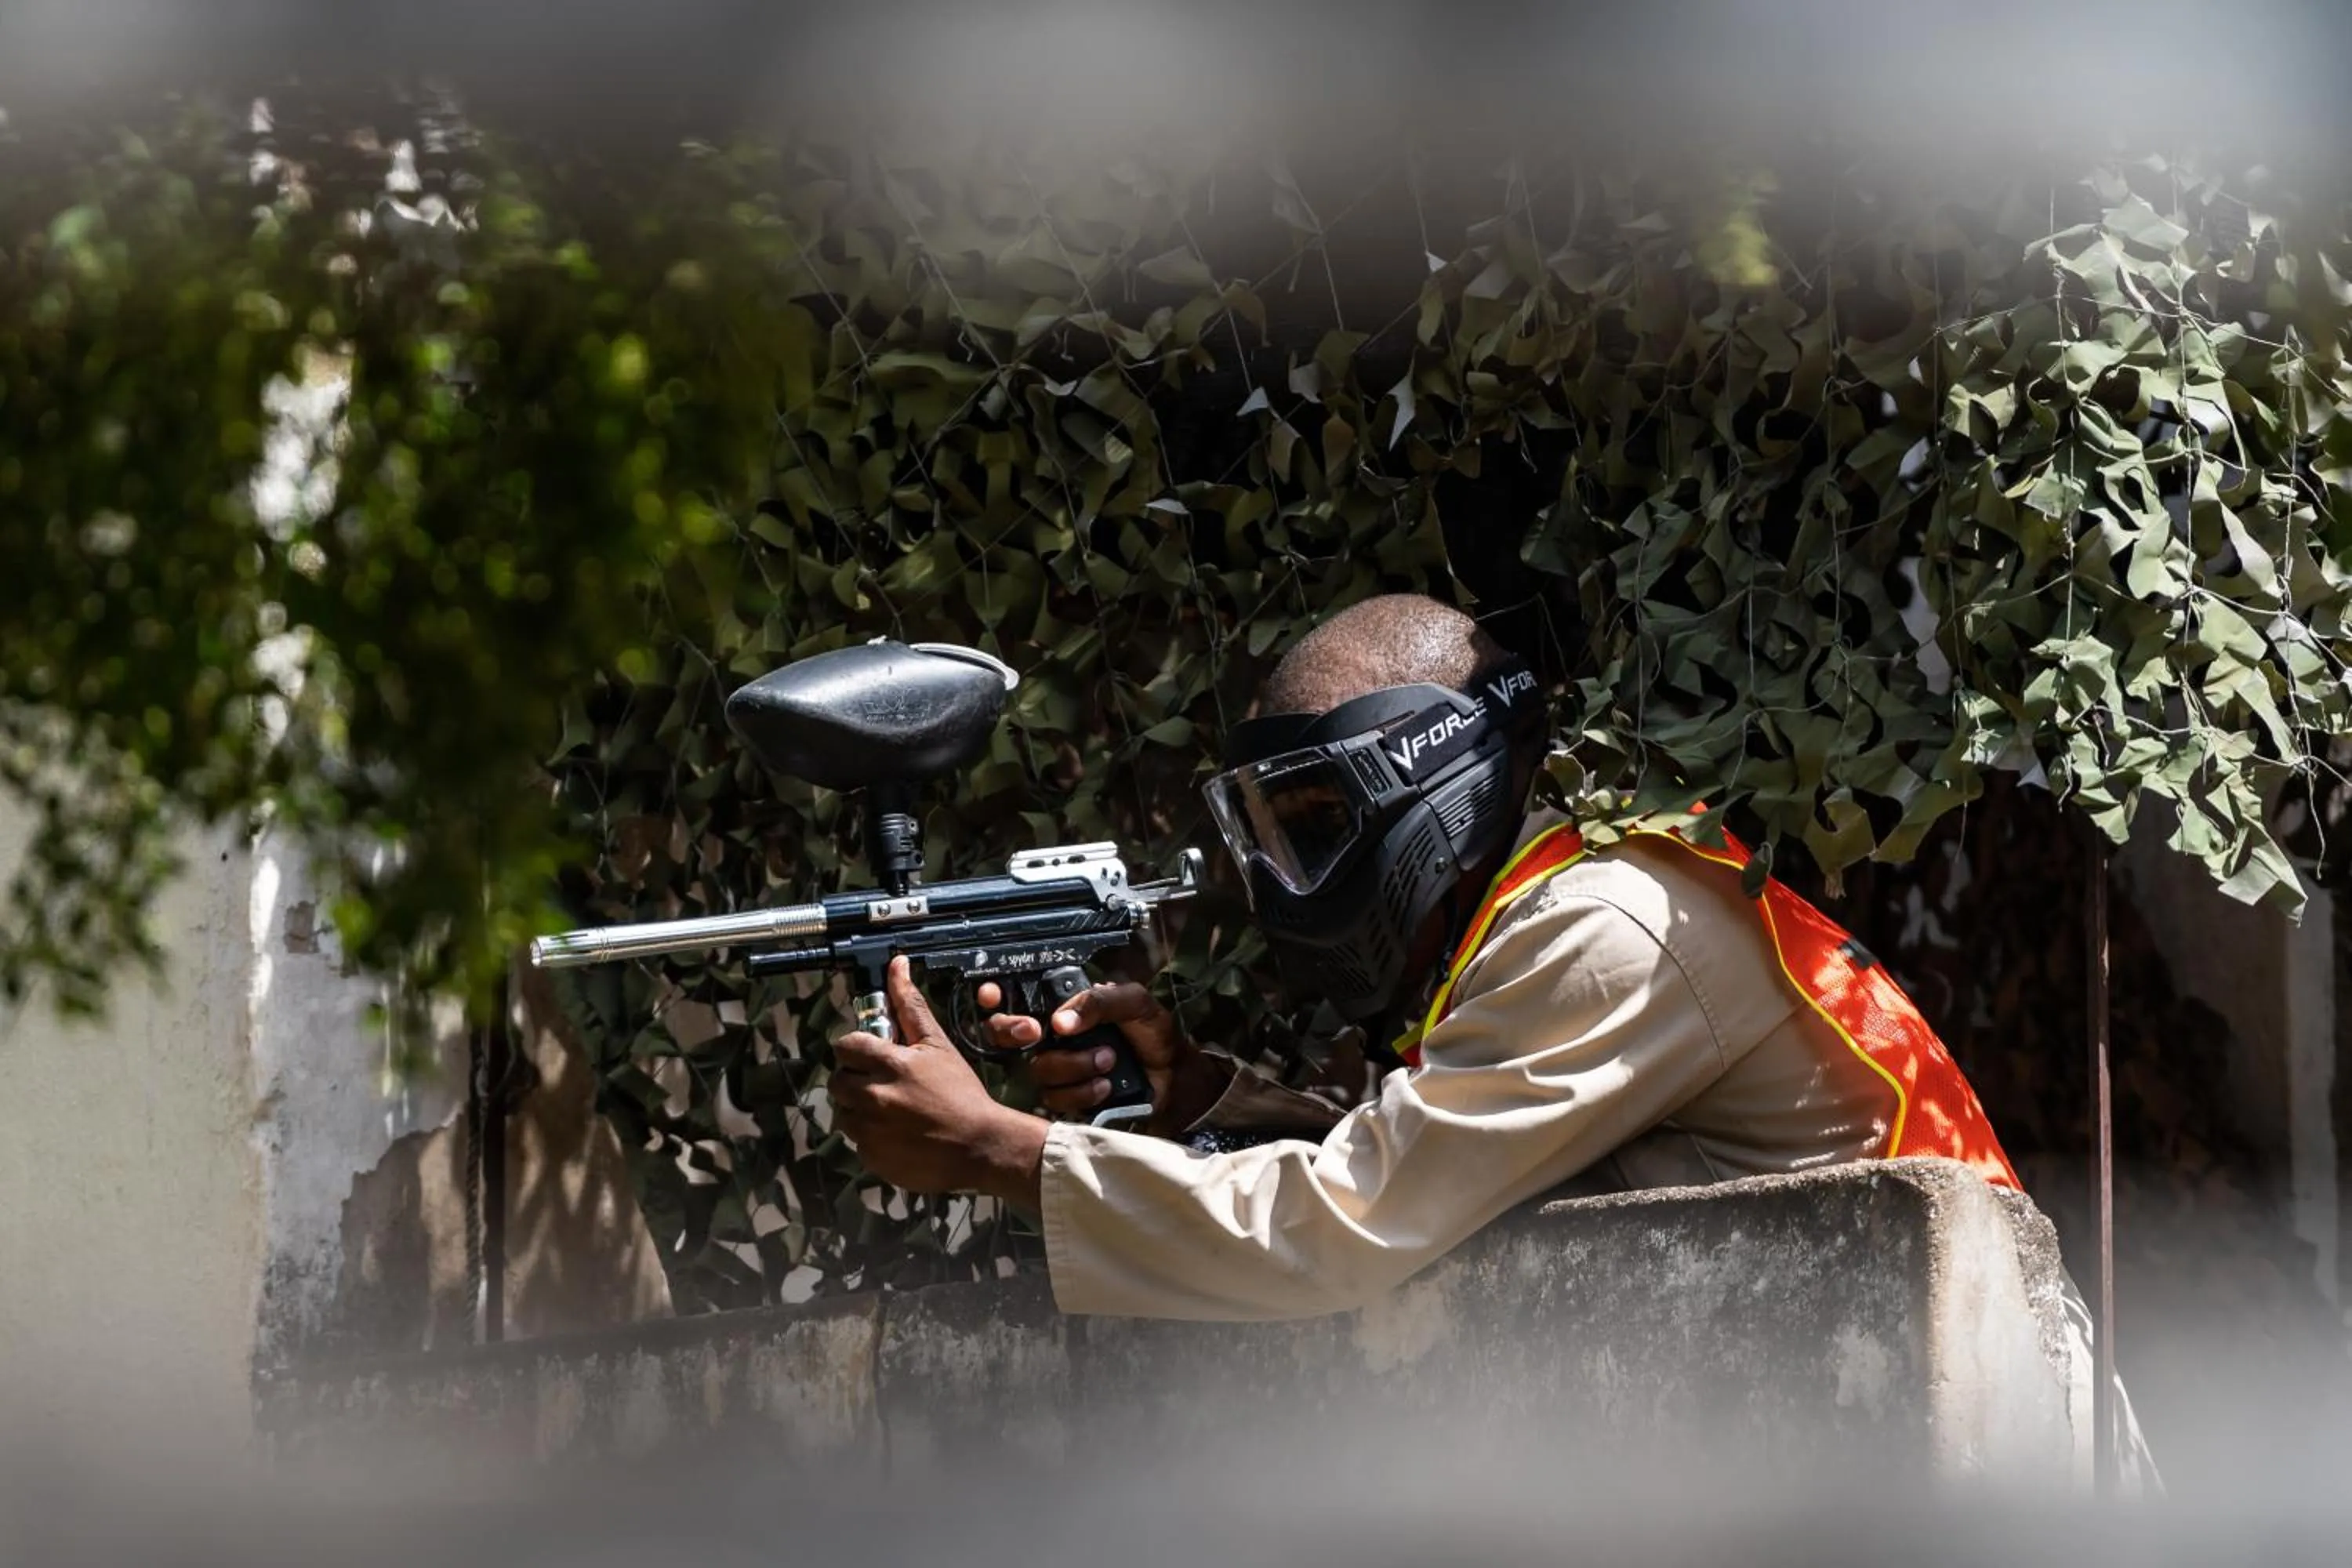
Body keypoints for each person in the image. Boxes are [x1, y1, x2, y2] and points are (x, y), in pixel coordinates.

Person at [828, 592, 2152, 1483]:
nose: (1297, 877)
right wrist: (1207, 1102)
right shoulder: (1555, 908)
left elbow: (1346, 1231)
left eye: (1317, 824)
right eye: (1272, 836)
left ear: (1431, 786)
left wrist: (1003, 1151)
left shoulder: (1606, 928)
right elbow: (1441, 1167)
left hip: (1997, 1442)